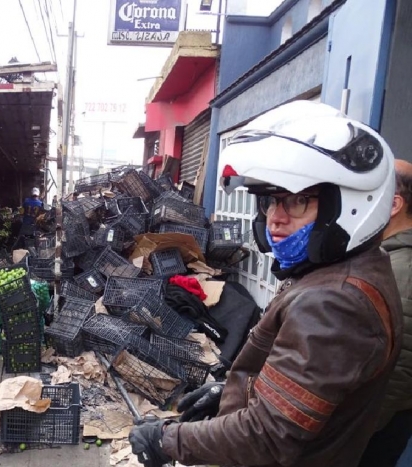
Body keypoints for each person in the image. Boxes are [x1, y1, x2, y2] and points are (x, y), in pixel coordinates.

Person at [129, 100, 403, 467]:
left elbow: (267, 435)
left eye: (299, 201)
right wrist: (231, 389)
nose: (275, 219)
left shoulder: (334, 303)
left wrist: (166, 439)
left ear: (351, 205)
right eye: (271, 202)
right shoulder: (344, 272)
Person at [358, 159, 412, 467]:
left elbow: (400, 370)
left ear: (393, 204)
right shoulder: (387, 257)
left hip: (376, 430)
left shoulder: (403, 270)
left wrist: (353, 430)